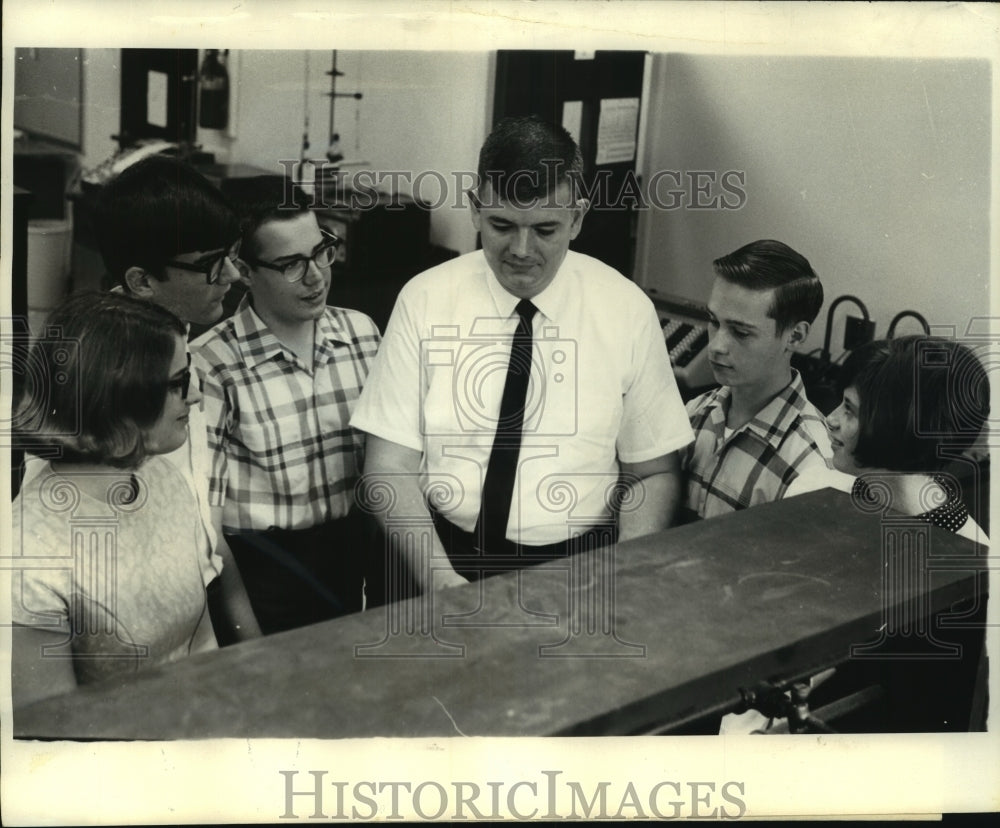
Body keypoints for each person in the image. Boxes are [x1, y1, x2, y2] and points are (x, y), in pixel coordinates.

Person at [351, 115, 693, 591]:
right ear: (474, 209)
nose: (521, 250)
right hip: (433, 555)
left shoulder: (627, 310)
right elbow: (388, 465)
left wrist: (619, 575)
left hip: (574, 571)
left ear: (577, 217)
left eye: (546, 229)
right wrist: (442, 583)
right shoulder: (424, 299)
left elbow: (652, 473)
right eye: (502, 225)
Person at [11, 293, 223, 708]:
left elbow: (203, 647)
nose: (196, 396)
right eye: (179, 383)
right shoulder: (28, 555)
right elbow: (52, 728)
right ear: (121, 401)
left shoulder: (164, 479)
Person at [191, 176, 382, 633]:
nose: (316, 275)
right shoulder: (211, 366)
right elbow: (208, 531)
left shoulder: (363, 335)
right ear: (244, 267)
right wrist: (249, 639)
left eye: (321, 251)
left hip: (352, 564)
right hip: (264, 578)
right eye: (292, 264)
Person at [92, 155, 260, 642]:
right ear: (142, 281)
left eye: (231, 254)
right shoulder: (104, 381)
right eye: (211, 264)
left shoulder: (177, 342)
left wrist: (252, 649)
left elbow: (205, 533)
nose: (232, 275)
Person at [681, 239, 832, 521]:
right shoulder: (695, 413)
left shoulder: (812, 463)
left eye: (741, 332)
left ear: (795, 336)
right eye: (714, 322)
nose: (715, 346)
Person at [786, 335, 989, 543]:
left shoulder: (975, 553)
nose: (830, 419)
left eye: (849, 409)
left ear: (896, 431)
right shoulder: (812, 489)